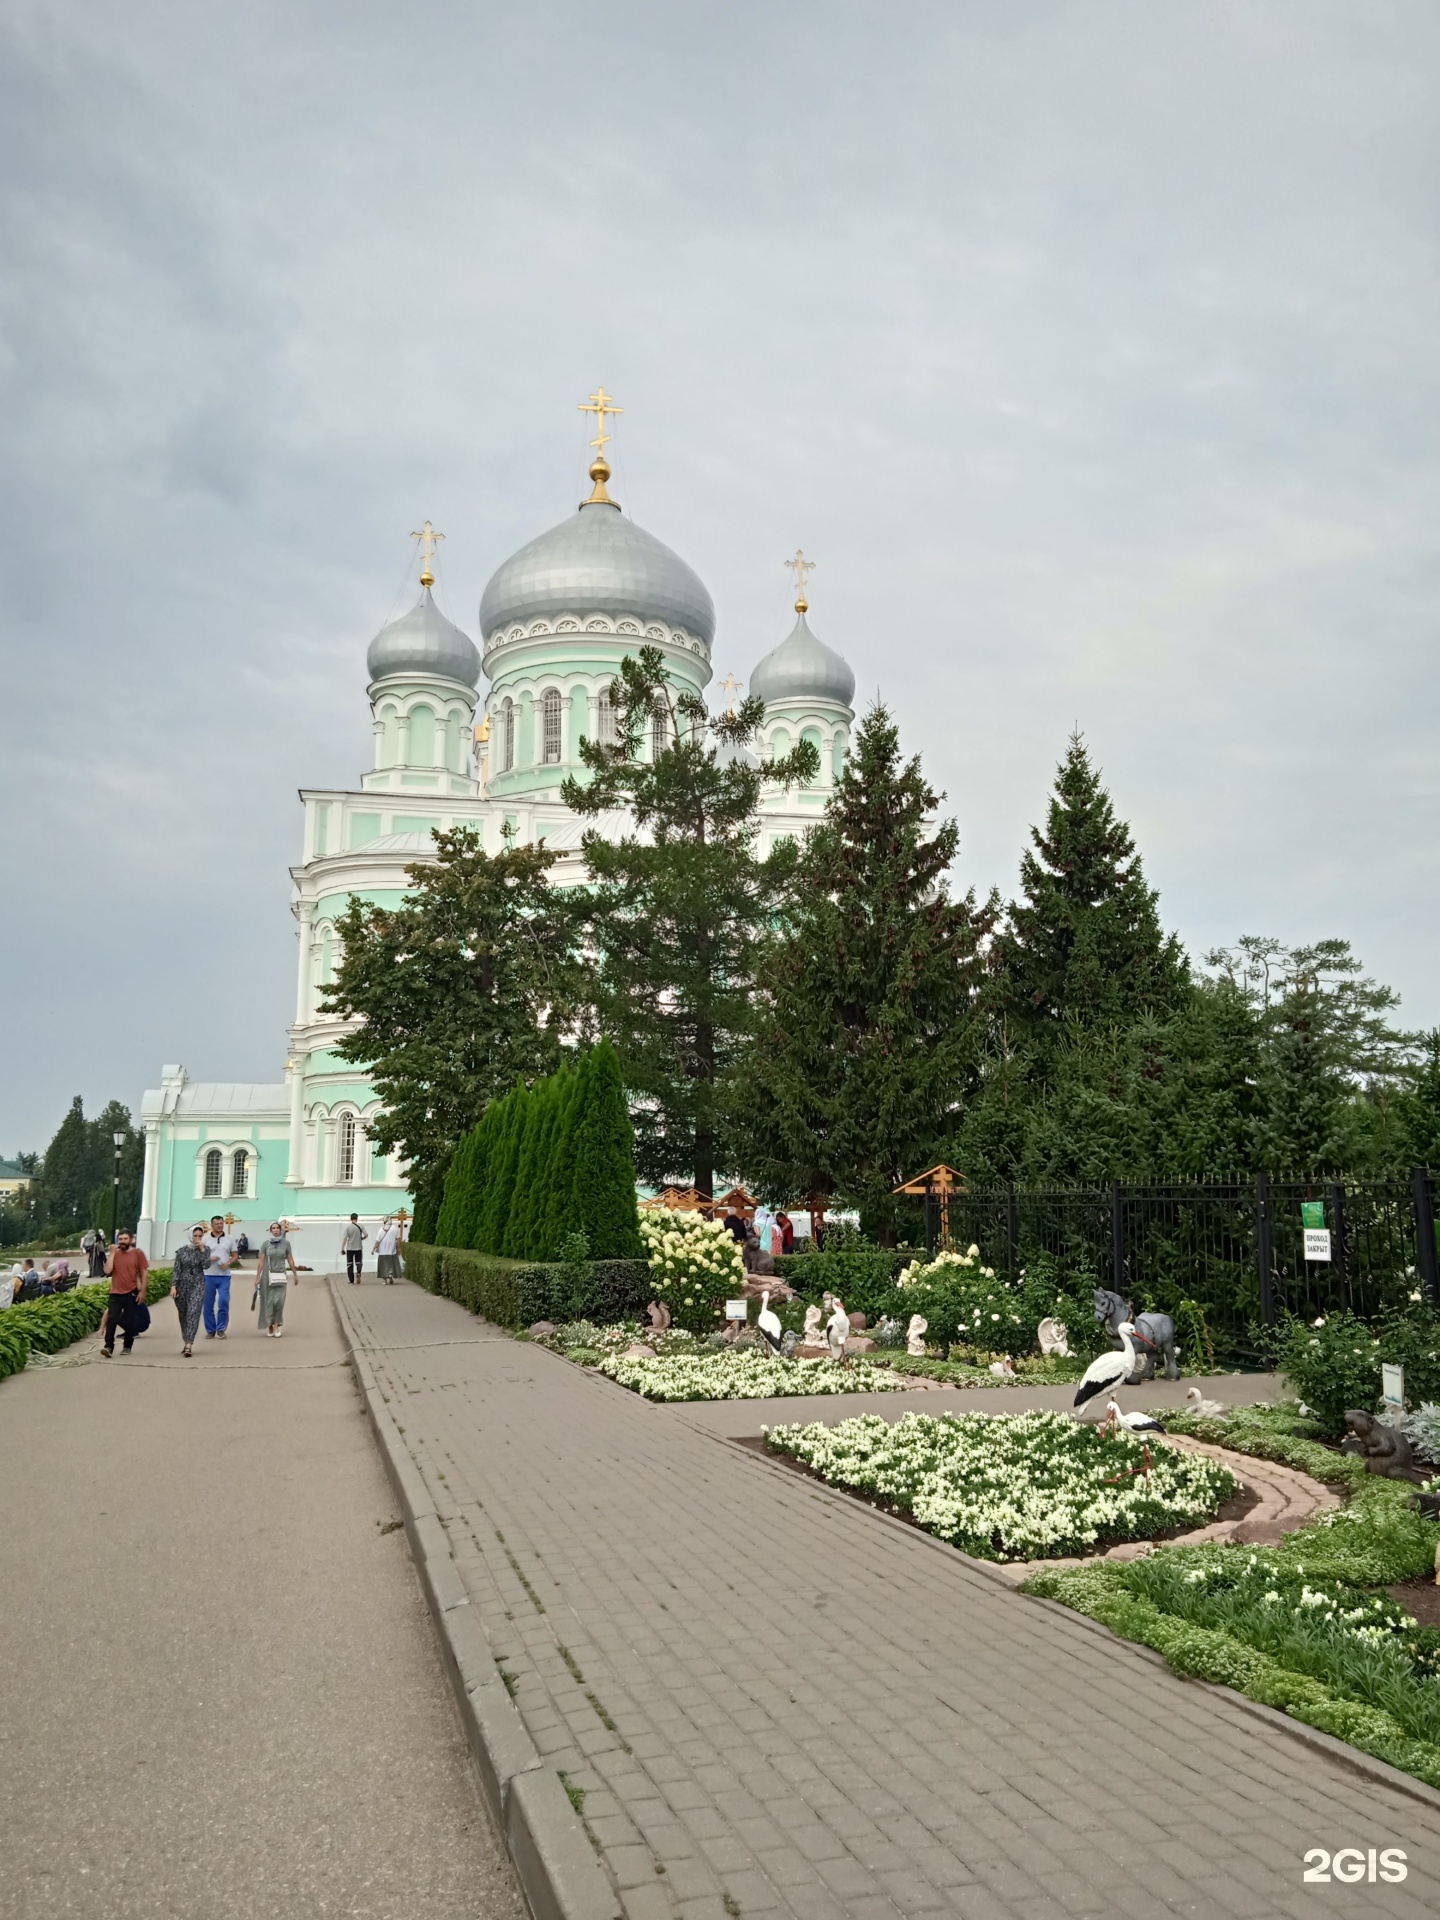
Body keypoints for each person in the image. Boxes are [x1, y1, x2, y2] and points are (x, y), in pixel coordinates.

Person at [101, 1230, 149, 1357]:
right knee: (112, 1320)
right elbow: (107, 1270)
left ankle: (127, 1346)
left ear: (131, 1240)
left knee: (129, 1321)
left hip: (131, 1292)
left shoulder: (137, 1254)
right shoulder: (115, 1254)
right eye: (120, 1239)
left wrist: (142, 1292)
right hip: (115, 1292)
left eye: (125, 1239)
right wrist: (111, 1253)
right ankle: (108, 1347)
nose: (122, 1241)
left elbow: (144, 1273)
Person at [255, 1223, 298, 1337]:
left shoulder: (286, 1244)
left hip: (280, 1275)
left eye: (277, 1228)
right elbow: (260, 1261)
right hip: (267, 1276)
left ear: (281, 1230)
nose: (275, 1230)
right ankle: (269, 1325)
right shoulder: (266, 1244)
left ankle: (276, 1325)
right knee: (268, 1301)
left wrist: (295, 1274)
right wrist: (257, 1277)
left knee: (279, 1301)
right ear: (270, 1230)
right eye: (273, 1228)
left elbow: (290, 1259)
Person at [170, 1226, 207, 1357]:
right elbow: (176, 1270)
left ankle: (188, 1344)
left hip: (197, 1284)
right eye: (195, 1236)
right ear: (190, 1236)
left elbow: (206, 1265)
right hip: (182, 1285)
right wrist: (173, 1286)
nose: (197, 1239)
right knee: (184, 1314)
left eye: (200, 1236)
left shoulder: (205, 1249)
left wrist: (202, 1250)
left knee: (193, 1312)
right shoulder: (182, 1251)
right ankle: (186, 1338)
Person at [201, 1214, 238, 1339]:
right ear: (212, 1225)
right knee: (208, 1304)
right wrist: (209, 1258)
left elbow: (235, 1255)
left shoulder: (230, 1238)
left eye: (221, 1223)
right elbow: (199, 1256)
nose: (219, 1225)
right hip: (208, 1275)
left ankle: (221, 1329)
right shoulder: (205, 1239)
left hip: (224, 1276)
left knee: (223, 1301)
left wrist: (228, 1263)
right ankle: (210, 1330)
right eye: (217, 1224)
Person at [375, 1215, 403, 1283]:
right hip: (392, 1251)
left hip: (382, 1252)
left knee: (383, 1266)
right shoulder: (395, 1228)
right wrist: (399, 1248)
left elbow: (377, 1240)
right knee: (391, 1264)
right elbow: (398, 1239)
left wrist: (374, 1248)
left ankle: (385, 1280)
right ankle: (390, 1274)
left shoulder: (381, 1229)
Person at [342, 1214, 367, 1284]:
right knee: (359, 1262)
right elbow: (366, 1234)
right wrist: (362, 1238)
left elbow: (345, 1238)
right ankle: (358, 1272)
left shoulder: (348, 1227)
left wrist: (342, 1248)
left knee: (349, 1264)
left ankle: (351, 1280)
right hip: (359, 1247)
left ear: (350, 1218)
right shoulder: (361, 1226)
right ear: (357, 1218)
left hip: (350, 1248)